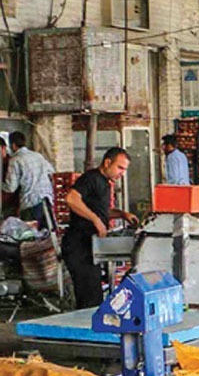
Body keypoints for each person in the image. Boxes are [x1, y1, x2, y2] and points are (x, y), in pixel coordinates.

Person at [62, 147, 137, 308]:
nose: (122, 173)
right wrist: (96, 220)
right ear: (108, 162)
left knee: (95, 294)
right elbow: (71, 199)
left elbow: (101, 211)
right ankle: (84, 330)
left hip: (91, 246)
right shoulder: (91, 178)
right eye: (120, 167)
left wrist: (122, 214)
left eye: (124, 169)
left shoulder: (105, 183)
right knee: (89, 297)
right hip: (78, 245)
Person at [4, 131, 55, 231]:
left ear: (13, 145)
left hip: (31, 203)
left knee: (30, 236)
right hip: (47, 200)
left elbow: (10, 188)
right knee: (47, 236)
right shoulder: (38, 156)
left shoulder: (15, 160)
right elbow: (51, 172)